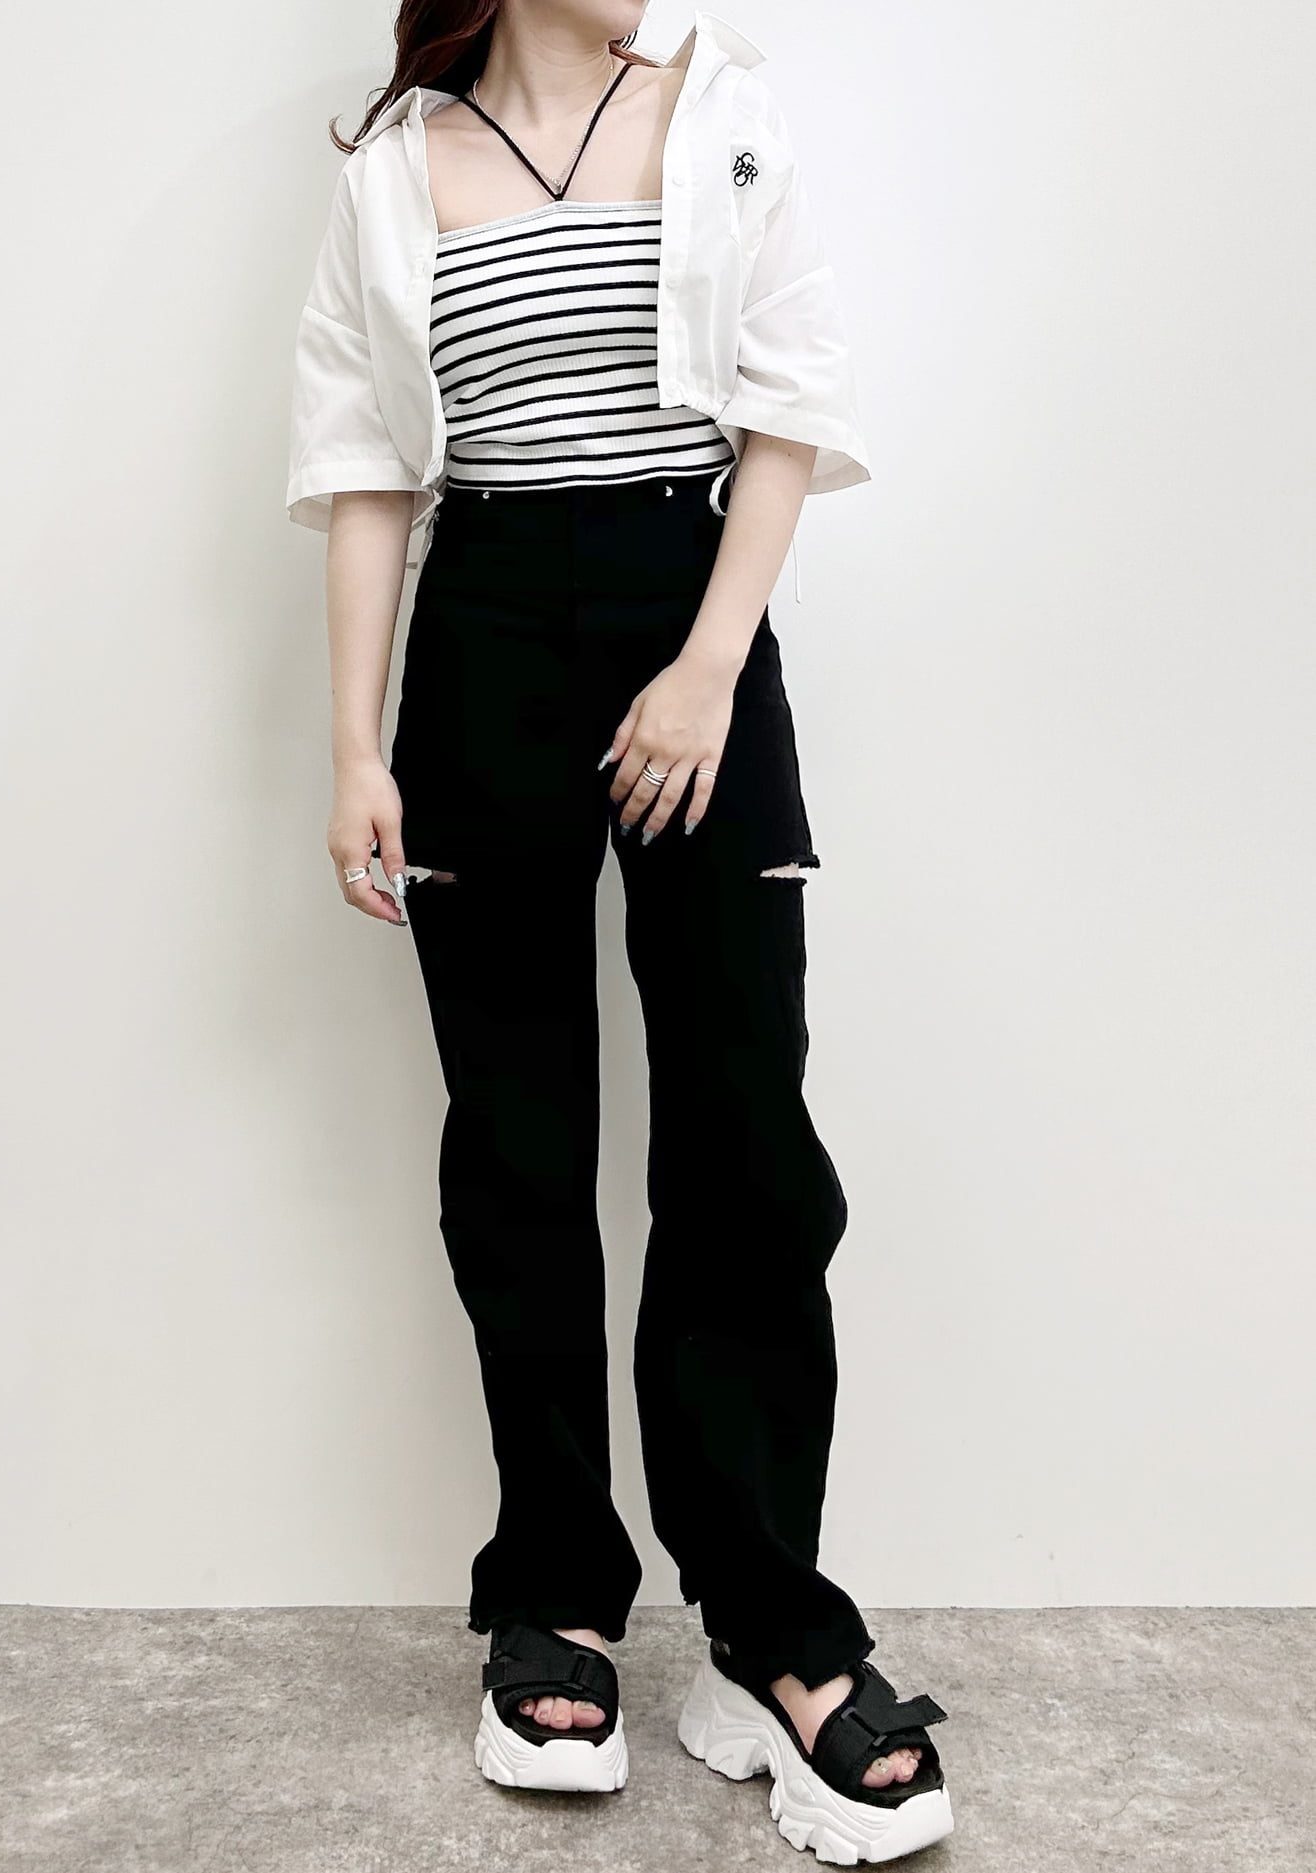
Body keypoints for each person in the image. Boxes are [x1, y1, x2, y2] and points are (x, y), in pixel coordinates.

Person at [287, 2, 954, 1861]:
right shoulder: (395, 169)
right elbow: (366, 465)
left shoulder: (721, 113)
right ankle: (558, 1597)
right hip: (485, 629)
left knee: (744, 1137)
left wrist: (710, 665)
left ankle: (770, 1629)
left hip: (694, 610)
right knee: (517, 1145)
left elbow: (787, 399)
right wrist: (354, 749)